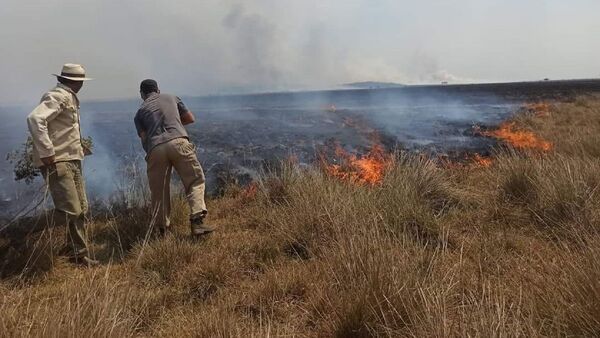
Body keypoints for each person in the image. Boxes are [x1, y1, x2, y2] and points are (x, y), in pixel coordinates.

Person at [26, 63, 98, 266]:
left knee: (81, 208)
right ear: (76, 82)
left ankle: (78, 254)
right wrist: (47, 152)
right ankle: (23, 229)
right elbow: (35, 118)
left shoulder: (69, 97)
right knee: (71, 210)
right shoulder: (58, 96)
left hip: (71, 159)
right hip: (59, 160)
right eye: (81, 81)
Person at [134, 79, 213, 237]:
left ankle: (163, 231)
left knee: (159, 191)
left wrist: (151, 154)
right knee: (194, 180)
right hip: (178, 141)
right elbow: (190, 118)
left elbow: (144, 138)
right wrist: (175, 125)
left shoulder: (140, 112)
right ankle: (197, 222)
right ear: (158, 90)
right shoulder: (172, 97)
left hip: (155, 148)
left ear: (142, 94)